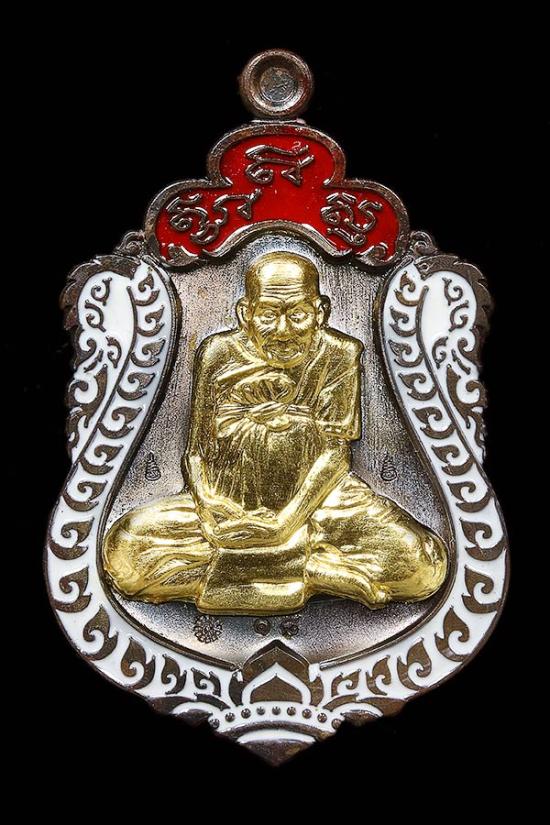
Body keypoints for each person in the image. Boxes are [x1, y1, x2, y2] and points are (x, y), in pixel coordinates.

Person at [103, 252, 447, 614]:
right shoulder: (218, 353)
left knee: (423, 566)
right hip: (229, 499)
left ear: (320, 312)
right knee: (122, 553)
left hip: (320, 503)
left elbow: (335, 455)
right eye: (268, 315)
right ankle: (312, 574)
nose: (283, 331)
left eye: (297, 315)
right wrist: (209, 506)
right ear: (245, 314)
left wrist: (284, 526)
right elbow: (196, 452)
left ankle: (257, 569)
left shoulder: (339, 354)